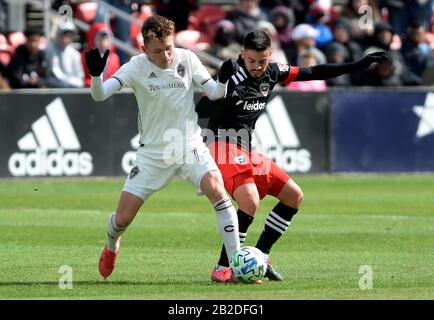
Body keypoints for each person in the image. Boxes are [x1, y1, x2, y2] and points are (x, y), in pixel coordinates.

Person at [195, 30, 387, 283]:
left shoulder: (273, 72)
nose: (256, 67)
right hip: (221, 144)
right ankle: (223, 268)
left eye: (262, 61)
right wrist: (226, 92)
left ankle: (261, 256)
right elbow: (202, 109)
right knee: (250, 201)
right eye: (252, 61)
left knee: (293, 196)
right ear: (243, 54)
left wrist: (358, 64)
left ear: (269, 55)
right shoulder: (231, 75)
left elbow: (313, 72)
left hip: (247, 149)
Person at [85, 15, 241, 279]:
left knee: (218, 190)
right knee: (122, 220)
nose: (166, 55)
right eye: (158, 50)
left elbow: (215, 93)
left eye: (169, 47)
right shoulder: (135, 67)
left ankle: (235, 266)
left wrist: (223, 81)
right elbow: (99, 95)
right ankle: (112, 245)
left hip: (189, 146)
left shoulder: (187, 59)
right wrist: (96, 76)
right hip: (153, 155)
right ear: (144, 48)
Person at [46, 22, 84, 88]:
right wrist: (67, 80)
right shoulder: (51, 50)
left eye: (70, 36)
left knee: (79, 83)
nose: (67, 38)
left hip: (71, 82)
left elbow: (79, 74)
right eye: (65, 35)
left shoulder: (75, 54)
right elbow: (55, 71)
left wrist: (72, 80)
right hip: (56, 82)